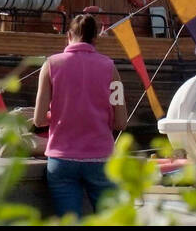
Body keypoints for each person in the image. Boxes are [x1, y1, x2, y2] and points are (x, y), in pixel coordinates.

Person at [32, 12, 127, 218]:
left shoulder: (50, 65)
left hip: (62, 161)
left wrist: (57, 115)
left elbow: (39, 119)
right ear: (96, 38)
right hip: (101, 160)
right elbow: (121, 121)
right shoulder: (111, 69)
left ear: (68, 36)